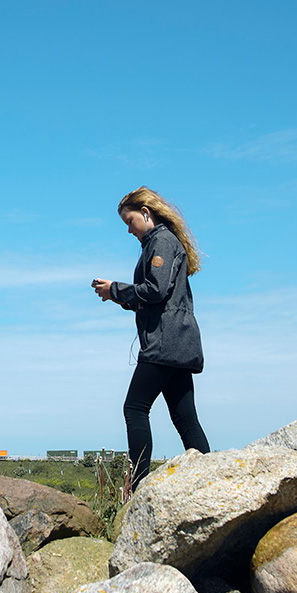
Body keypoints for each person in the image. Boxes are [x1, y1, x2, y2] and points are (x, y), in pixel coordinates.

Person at [92, 187, 210, 484]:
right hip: (180, 345)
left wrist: (116, 289)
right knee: (185, 419)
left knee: (135, 407)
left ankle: (137, 486)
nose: (129, 230)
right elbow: (154, 296)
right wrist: (116, 295)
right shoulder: (162, 243)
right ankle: (211, 478)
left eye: (129, 221)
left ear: (145, 213)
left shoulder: (161, 242)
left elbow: (155, 291)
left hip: (164, 344)